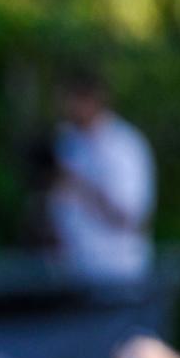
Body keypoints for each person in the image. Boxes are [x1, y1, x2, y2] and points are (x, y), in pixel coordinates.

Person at [48, 69, 155, 284]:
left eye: (71, 99)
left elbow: (131, 218)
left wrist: (80, 186)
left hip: (115, 276)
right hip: (73, 274)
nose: (65, 108)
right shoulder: (69, 142)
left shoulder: (124, 146)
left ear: (91, 100)